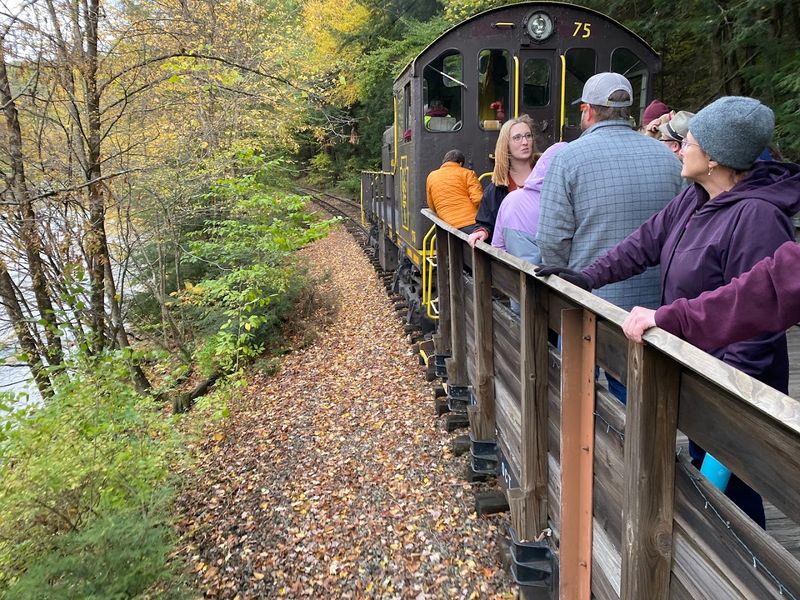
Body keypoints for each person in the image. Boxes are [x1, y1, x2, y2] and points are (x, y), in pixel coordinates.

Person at [537, 96, 800, 527]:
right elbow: (643, 243)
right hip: (695, 368)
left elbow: (759, 323)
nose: (678, 148)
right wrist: (586, 278)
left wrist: (729, 401)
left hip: (731, 384)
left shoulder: (757, 217)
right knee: (706, 496)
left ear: (714, 158)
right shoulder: (695, 197)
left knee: (733, 503)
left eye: (689, 142)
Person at [536, 72, 683, 312]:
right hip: (656, 307)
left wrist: (567, 279)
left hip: (588, 301)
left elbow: (551, 238)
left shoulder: (567, 159)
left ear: (589, 111)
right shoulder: (670, 158)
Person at [623, 240, 800, 347]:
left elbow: (760, 295)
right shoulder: (691, 202)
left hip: (725, 373)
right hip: (699, 358)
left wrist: (673, 317)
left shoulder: (758, 212)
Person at [491, 142, 568, 263]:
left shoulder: (510, 198)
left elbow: (497, 245)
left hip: (509, 275)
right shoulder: (558, 205)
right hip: (543, 278)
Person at [467, 115, 537, 247]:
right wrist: (482, 231)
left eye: (528, 136)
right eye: (517, 138)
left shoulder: (547, 176)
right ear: (506, 144)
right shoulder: (495, 190)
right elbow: (486, 222)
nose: (525, 142)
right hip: (513, 258)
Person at [425, 149, 483, 233]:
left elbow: (431, 204)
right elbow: (478, 199)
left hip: (447, 224)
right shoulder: (467, 173)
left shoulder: (431, 176)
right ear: (460, 163)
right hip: (471, 223)